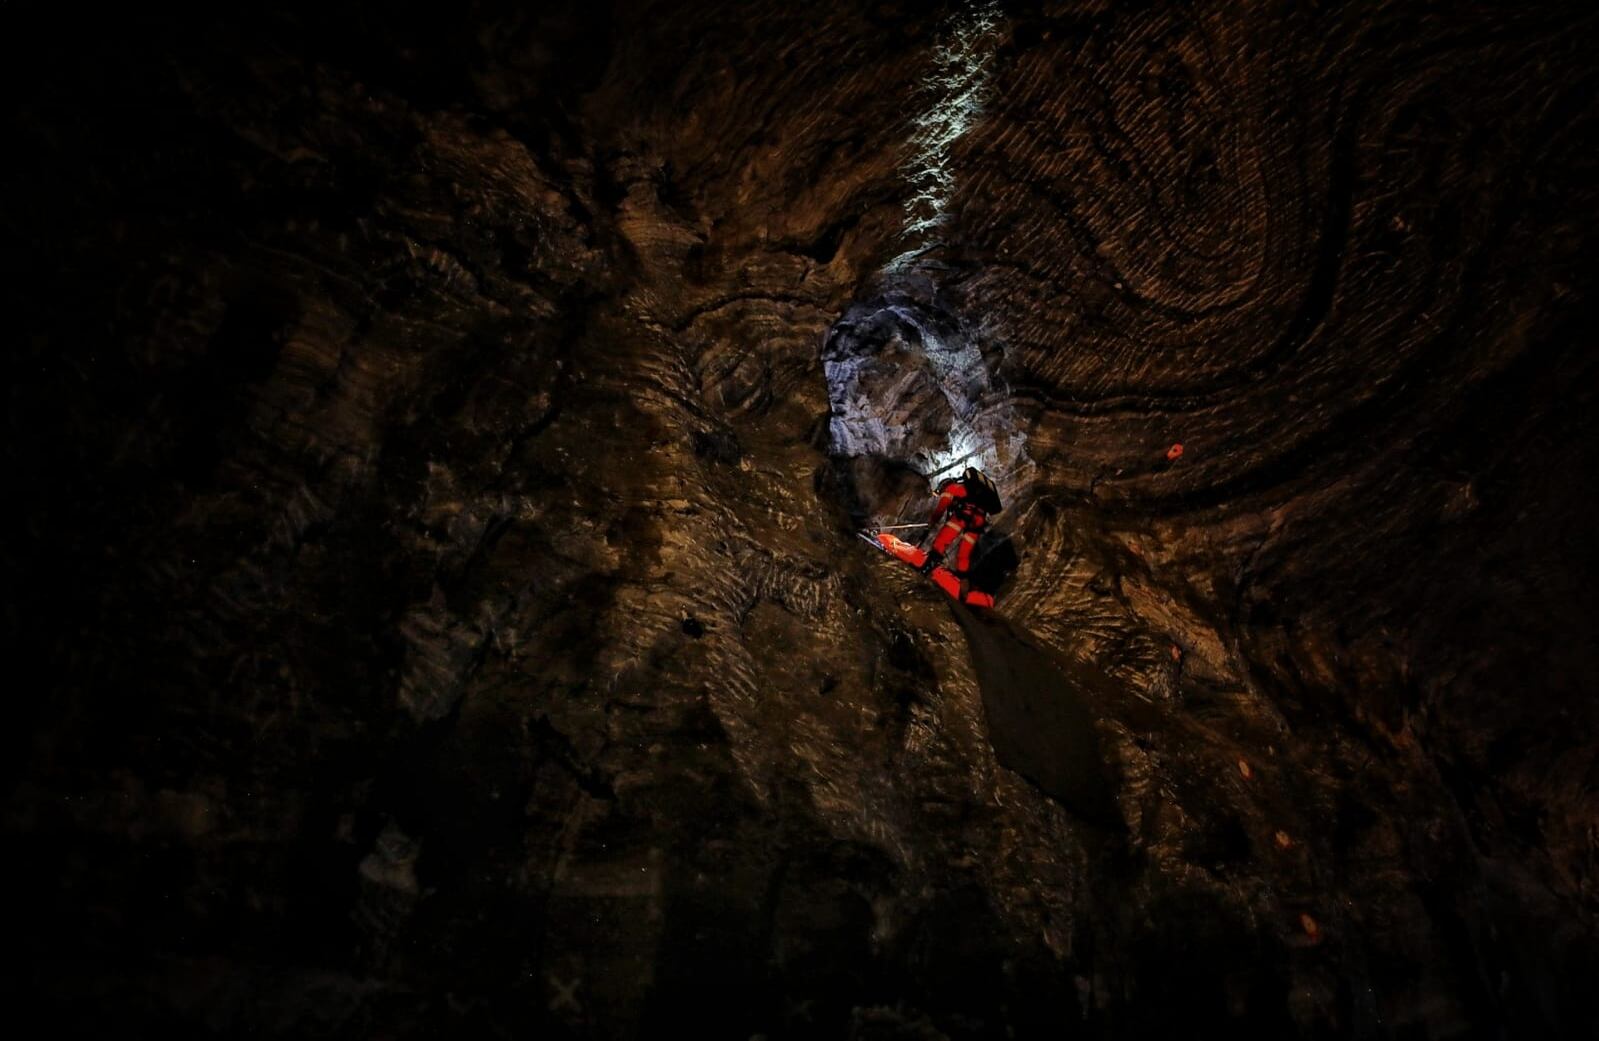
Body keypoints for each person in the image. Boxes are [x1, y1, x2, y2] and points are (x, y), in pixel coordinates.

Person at [919, 466, 1002, 576]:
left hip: (962, 517)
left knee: (940, 542)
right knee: (963, 556)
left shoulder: (952, 488)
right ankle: (962, 582)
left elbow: (940, 510)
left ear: (943, 486)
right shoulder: (968, 491)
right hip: (978, 523)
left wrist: (930, 525)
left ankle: (925, 570)